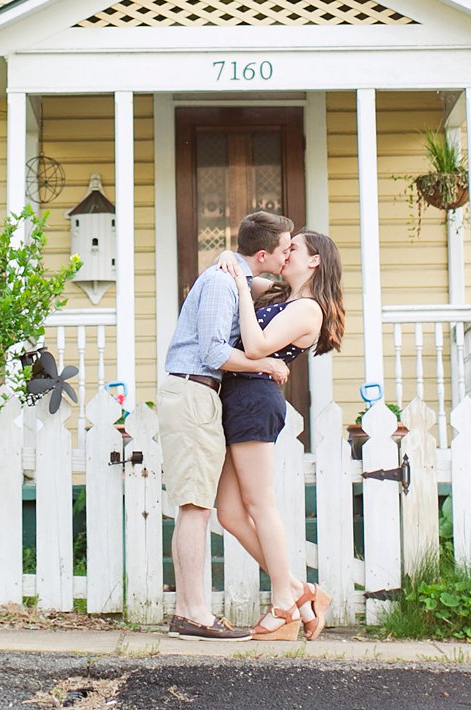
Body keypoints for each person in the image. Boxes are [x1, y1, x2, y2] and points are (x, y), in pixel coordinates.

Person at [158, 210, 296, 640]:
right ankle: (195, 613)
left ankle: (186, 611)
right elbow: (215, 352)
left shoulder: (233, 274)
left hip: (197, 394)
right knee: (196, 507)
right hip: (194, 390)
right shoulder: (222, 281)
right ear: (262, 253)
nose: (289, 251)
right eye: (285, 247)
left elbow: (268, 286)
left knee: (193, 505)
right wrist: (268, 362)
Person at [211, 229, 347, 641]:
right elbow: (237, 262)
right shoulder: (277, 294)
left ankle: (284, 604)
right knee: (230, 513)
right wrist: (228, 260)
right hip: (236, 397)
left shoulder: (307, 309)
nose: (285, 254)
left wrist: (238, 282)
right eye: (284, 248)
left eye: (294, 249)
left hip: (255, 399)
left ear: (315, 261)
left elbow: (255, 346)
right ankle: (300, 590)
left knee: (259, 503)